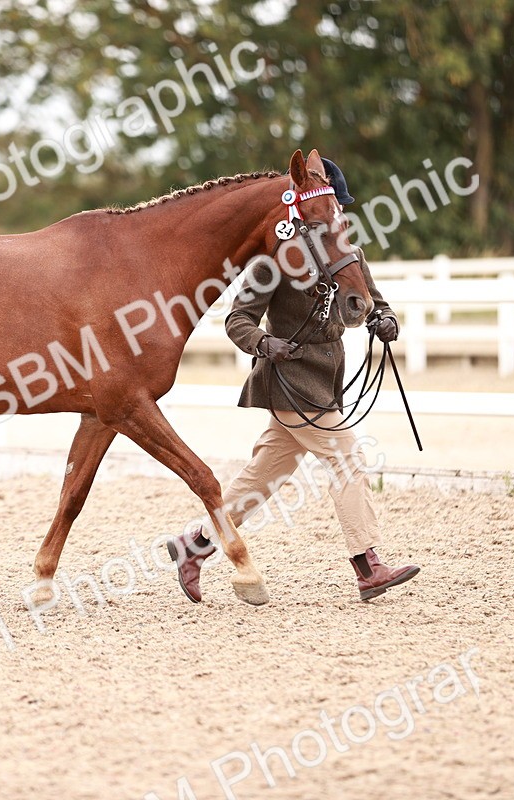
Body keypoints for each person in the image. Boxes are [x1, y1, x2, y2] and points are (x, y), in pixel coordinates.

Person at [168, 158, 420, 603]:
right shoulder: (273, 263)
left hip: (327, 381)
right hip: (290, 383)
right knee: (346, 459)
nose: (333, 221)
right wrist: (265, 344)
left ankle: (195, 544)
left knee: (261, 478)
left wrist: (385, 320)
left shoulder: (349, 256)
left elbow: (370, 305)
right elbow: (238, 320)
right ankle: (368, 566)